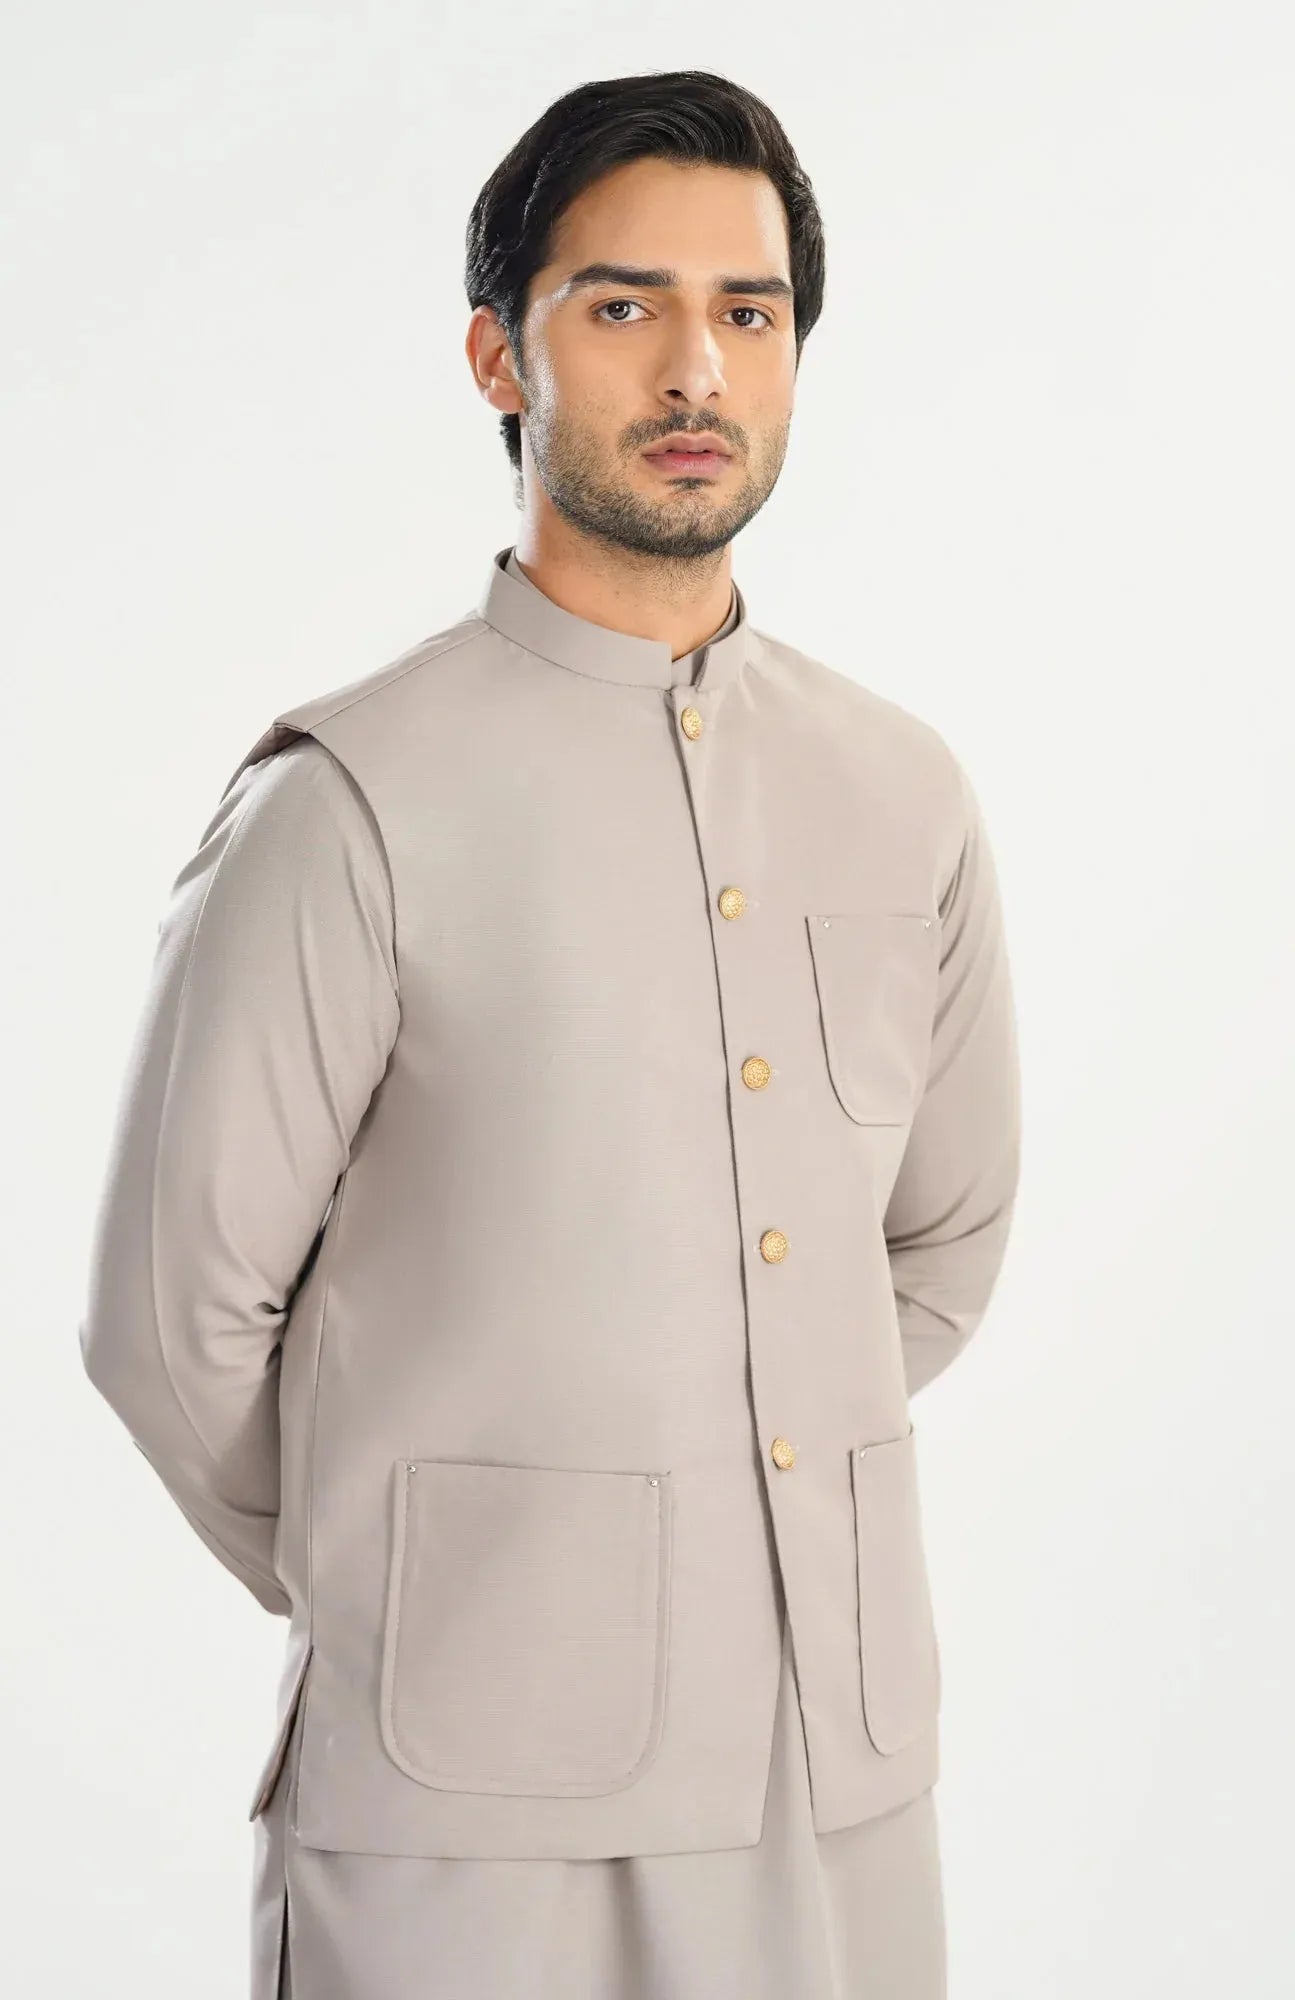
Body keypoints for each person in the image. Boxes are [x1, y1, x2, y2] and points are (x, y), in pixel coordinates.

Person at [78, 67, 1021, 1999]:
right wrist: (448, 1574)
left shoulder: (905, 793)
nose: (695, 368)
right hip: (457, 1831)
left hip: (839, 1792)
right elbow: (167, 1326)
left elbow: (937, 1249)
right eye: (622, 305)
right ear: (501, 355)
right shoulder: (350, 803)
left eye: (747, 311)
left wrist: (728, 1508)